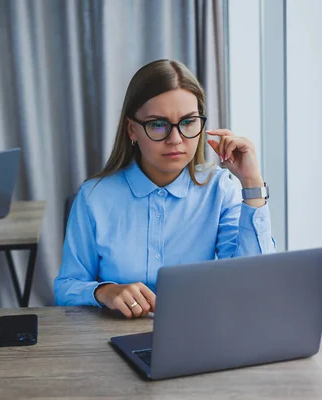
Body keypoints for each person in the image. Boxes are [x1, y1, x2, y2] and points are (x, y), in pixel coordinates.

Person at [54, 59, 275, 318]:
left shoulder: (220, 189)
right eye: (158, 124)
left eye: (188, 122)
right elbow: (66, 287)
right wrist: (104, 292)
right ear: (132, 129)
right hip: (112, 342)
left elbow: (253, 284)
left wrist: (251, 183)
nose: (175, 139)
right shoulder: (94, 197)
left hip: (198, 335)